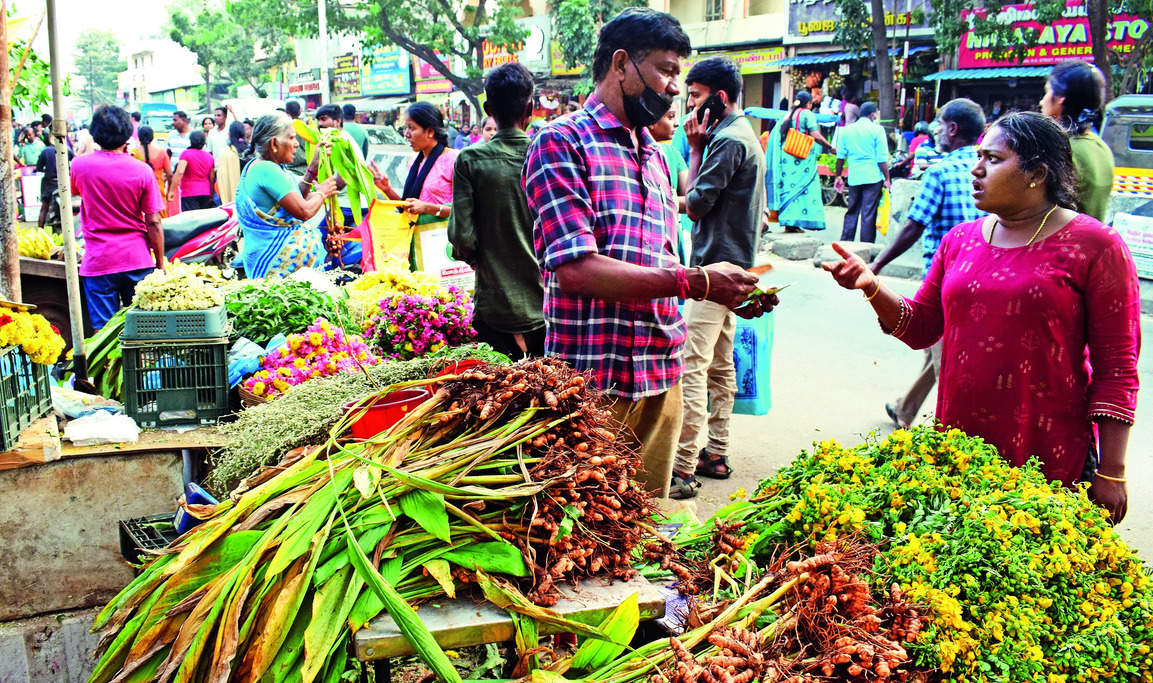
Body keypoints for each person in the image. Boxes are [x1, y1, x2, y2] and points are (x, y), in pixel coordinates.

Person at [823, 111, 1139, 525]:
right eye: (978, 156)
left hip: (1050, 456)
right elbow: (921, 327)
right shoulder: (961, 241)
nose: (976, 169)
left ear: (1036, 173)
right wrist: (871, 287)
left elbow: (1117, 368)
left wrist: (1111, 470)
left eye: (992, 159)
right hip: (957, 451)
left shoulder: (1095, 246)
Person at [522, 8, 776, 499]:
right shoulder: (561, 142)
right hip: (592, 386)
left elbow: (660, 257)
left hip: (661, 377)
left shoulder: (654, 154)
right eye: (666, 70)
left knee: (646, 533)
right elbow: (576, 269)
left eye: (679, 74)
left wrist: (719, 285)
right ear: (621, 64)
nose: (676, 88)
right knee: (588, 538)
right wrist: (696, 281)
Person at [672, 56, 767, 499]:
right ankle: (717, 451)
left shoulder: (726, 141)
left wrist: (694, 148)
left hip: (714, 275)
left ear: (720, 98)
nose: (689, 108)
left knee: (693, 366)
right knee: (720, 366)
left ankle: (685, 466)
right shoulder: (742, 135)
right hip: (734, 268)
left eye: (695, 97)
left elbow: (695, 204)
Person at [868, 98, 986, 429]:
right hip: (983, 275)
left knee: (944, 354)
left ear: (952, 129)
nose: (934, 130)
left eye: (938, 123)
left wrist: (877, 265)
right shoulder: (988, 168)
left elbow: (914, 226)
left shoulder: (940, 171)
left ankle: (953, 429)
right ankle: (906, 408)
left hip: (944, 279)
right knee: (939, 348)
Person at [447, 63, 545, 359]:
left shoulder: (470, 160)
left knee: (499, 398)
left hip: (495, 309)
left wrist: (484, 259)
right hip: (548, 308)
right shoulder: (546, 155)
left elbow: (461, 238)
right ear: (530, 107)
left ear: (488, 108)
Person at [70, 106, 166, 330]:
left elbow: (76, 192)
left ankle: (111, 366)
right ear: (127, 135)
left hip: (98, 262)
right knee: (142, 331)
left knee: (103, 333)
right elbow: (153, 221)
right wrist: (160, 262)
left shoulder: (79, 166)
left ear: (94, 134)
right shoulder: (142, 170)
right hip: (137, 260)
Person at [235, 112, 339, 278]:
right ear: (274, 143)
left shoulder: (273, 168)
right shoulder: (266, 170)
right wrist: (322, 193)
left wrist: (312, 168)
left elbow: (297, 198)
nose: (297, 144)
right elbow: (303, 211)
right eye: (291, 138)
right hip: (273, 266)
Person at [1041, 60, 1114, 222]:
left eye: (1047, 92)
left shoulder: (1061, 151)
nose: (1042, 101)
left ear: (1060, 99)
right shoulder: (1099, 146)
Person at [374, 102, 457, 219]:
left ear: (430, 132)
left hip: (442, 235)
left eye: (411, 128)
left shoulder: (453, 160)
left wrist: (427, 208)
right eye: (405, 128)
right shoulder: (414, 161)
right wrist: (387, 190)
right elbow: (408, 207)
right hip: (416, 235)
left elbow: (465, 208)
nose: (406, 134)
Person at [768, 92, 834, 233]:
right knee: (802, 188)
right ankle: (794, 223)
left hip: (786, 158)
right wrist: (830, 147)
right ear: (808, 104)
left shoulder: (788, 115)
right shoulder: (807, 114)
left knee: (789, 189)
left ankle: (789, 223)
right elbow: (815, 135)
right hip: (801, 157)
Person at [835, 101, 890, 243]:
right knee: (868, 213)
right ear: (872, 115)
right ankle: (866, 246)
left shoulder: (847, 130)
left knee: (852, 210)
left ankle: (845, 242)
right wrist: (887, 178)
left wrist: (838, 175)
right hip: (872, 177)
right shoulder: (877, 130)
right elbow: (881, 158)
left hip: (854, 176)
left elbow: (840, 156)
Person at [648, 106, 691, 265]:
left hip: (671, 234)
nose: (677, 123)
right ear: (652, 122)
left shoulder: (673, 154)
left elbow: (691, 200)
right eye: (670, 117)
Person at [169, 131, 216, 211]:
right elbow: (211, 177)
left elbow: (180, 172)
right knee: (204, 220)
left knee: (191, 220)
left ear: (191, 141)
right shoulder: (209, 157)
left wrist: (171, 190)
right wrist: (211, 193)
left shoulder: (186, 154)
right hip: (205, 192)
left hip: (189, 192)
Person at [35, 140, 73, 228]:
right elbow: (73, 163)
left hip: (48, 183)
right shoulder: (66, 150)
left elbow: (39, 168)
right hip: (63, 183)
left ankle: (40, 230)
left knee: (44, 207)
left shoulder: (45, 151)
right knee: (65, 208)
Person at [134, 126, 171, 219]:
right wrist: (170, 189)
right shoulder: (161, 153)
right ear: (152, 137)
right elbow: (169, 174)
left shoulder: (134, 153)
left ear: (139, 137)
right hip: (158, 190)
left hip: (138, 191)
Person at [166, 111, 193, 215]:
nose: (173, 123)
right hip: (173, 176)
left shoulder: (192, 136)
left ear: (184, 120)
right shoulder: (171, 135)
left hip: (187, 177)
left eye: (175, 120)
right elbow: (167, 154)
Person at [215, 121, 247, 205]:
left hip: (230, 199)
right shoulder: (250, 151)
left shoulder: (226, 153)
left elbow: (222, 179)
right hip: (249, 198)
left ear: (229, 134)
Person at [283, 100, 310, 176]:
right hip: (307, 169)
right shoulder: (306, 127)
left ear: (286, 112)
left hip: (292, 169)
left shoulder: (285, 128)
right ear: (300, 111)